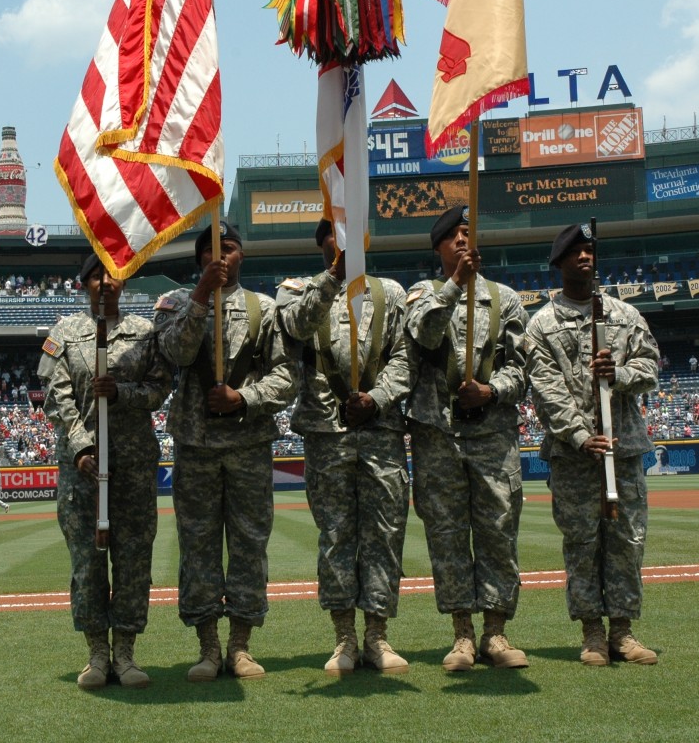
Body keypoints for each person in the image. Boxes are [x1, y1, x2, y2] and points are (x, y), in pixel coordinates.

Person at [153, 222, 297, 681]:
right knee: (197, 546)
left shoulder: (265, 309)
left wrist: (245, 398)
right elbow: (176, 352)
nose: (223, 257)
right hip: (196, 446)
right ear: (200, 259)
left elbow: (286, 376)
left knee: (249, 545)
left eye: (230, 249)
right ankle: (208, 646)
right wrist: (200, 296)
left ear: (242, 257)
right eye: (214, 251)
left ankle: (240, 645)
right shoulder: (175, 304)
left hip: (248, 445)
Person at [276, 218, 412, 676]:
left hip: (381, 432)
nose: (345, 244)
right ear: (322, 245)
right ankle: (344, 640)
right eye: (336, 236)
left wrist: (377, 399)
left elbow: (404, 358)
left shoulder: (391, 293)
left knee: (383, 536)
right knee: (336, 537)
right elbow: (295, 328)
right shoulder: (296, 291)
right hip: (327, 435)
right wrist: (333, 278)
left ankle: (377, 636)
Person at [523, 223, 660, 667]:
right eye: (576, 252)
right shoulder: (542, 324)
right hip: (573, 454)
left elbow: (650, 364)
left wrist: (617, 374)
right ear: (559, 262)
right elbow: (546, 390)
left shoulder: (623, 314)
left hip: (622, 448)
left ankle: (622, 630)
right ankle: (592, 633)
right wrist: (581, 436)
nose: (585, 257)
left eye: (590, 251)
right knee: (582, 541)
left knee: (626, 540)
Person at [37, 252, 172, 690]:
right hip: (82, 471)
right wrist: (80, 447)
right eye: (96, 277)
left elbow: (159, 389)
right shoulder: (64, 333)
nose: (105, 283)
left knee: (133, 560)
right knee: (88, 564)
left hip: (132, 467)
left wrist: (122, 393)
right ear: (84, 285)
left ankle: (127, 654)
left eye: (112, 275)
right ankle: (97, 654)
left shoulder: (144, 333)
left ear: (124, 283)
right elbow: (56, 395)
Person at [404, 207, 530, 671]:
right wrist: (455, 284)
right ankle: (462, 635)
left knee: (498, 531)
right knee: (448, 535)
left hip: (492, 434)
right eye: (453, 235)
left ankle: (496, 633)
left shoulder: (505, 299)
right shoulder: (422, 294)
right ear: (438, 246)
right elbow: (423, 334)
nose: (462, 239)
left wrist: (492, 390)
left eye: (468, 233)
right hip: (438, 435)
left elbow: (521, 368)